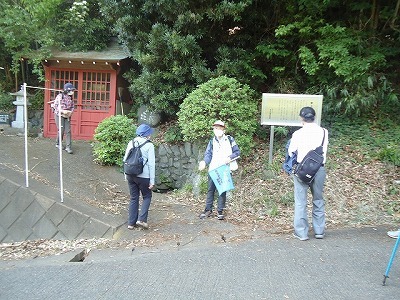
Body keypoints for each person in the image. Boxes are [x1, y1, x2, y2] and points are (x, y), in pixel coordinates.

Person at [288, 107, 329, 241]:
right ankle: (319, 231)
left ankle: (301, 232)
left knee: (301, 201)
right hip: (319, 169)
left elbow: (291, 151)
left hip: (302, 170)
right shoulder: (324, 132)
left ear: (302, 118)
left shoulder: (298, 133)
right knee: (318, 199)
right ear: (314, 117)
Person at [198, 120, 240, 220]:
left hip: (224, 169)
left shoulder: (230, 139)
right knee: (210, 190)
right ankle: (208, 209)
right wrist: (204, 162)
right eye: (215, 128)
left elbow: (237, 152)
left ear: (223, 129)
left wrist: (229, 158)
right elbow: (208, 154)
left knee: (222, 190)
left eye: (219, 128)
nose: (217, 130)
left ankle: (220, 211)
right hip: (213, 168)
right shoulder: (212, 141)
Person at [123, 124, 155, 230]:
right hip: (143, 176)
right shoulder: (149, 145)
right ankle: (141, 220)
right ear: (146, 134)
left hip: (130, 175)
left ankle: (131, 223)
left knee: (133, 197)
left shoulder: (131, 142)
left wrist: (125, 174)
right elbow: (151, 164)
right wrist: (152, 180)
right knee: (147, 196)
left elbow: (125, 159)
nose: (150, 134)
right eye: (149, 133)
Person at [52, 82, 76, 154]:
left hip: (67, 115)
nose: (73, 92)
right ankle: (58, 143)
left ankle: (68, 147)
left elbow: (72, 106)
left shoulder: (70, 97)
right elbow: (55, 106)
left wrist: (70, 112)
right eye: (72, 90)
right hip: (59, 115)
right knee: (61, 129)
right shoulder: (60, 96)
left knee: (68, 131)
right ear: (67, 90)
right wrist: (62, 111)